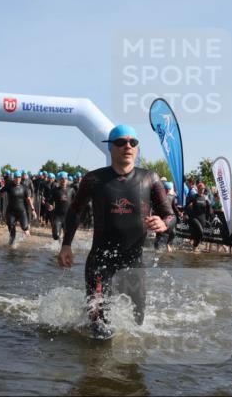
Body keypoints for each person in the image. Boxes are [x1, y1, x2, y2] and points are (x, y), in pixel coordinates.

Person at [57, 124, 174, 339]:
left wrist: (165, 223)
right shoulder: (94, 179)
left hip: (133, 262)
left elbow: (171, 215)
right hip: (100, 262)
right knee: (100, 330)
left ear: (137, 148)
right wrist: (66, 245)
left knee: (138, 325)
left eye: (133, 142)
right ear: (110, 147)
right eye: (120, 142)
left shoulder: (150, 178)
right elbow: (74, 212)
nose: (127, 146)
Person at [0, 171, 34, 245]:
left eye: (19, 178)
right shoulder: (9, 186)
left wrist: (33, 209)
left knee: (25, 228)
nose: (18, 179)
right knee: (12, 232)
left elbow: (28, 199)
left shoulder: (24, 187)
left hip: (22, 211)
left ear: (20, 178)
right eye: (16, 178)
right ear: (14, 178)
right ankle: (11, 245)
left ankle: (26, 244)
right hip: (11, 212)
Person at [184, 182, 213, 253]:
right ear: (198, 189)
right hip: (194, 217)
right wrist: (185, 213)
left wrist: (209, 218)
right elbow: (187, 205)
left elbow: (209, 209)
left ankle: (195, 248)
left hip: (202, 218)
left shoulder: (205, 198)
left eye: (203, 189)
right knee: (200, 231)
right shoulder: (194, 196)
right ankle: (195, 247)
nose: (202, 190)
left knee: (198, 234)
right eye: (201, 188)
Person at [46, 174, 72, 241]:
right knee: (56, 236)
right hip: (58, 217)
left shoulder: (71, 190)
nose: (64, 180)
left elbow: (77, 201)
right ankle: (58, 246)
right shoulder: (55, 190)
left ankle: (63, 248)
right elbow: (48, 201)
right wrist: (49, 205)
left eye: (65, 178)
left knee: (67, 238)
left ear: (67, 180)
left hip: (68, 217)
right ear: (59, 180)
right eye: (62, 179)